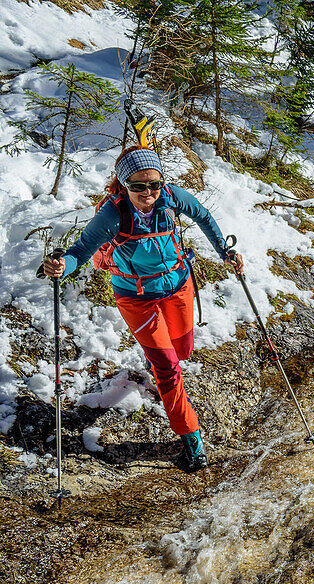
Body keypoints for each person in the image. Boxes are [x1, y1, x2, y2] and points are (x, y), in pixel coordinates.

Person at [43, 146, 243, 472]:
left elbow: (204, 216)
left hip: (178, 285)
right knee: (167, 367)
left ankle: (161, 366)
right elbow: (80, 251)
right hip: (136, 298)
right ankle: (192, 441)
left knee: (183, 349)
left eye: (154, 184)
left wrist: (225, 253)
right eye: (138, 186)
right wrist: (60, 266)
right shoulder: (112, 215)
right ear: (124, 186)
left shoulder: (171, 197)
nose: (148, 193)